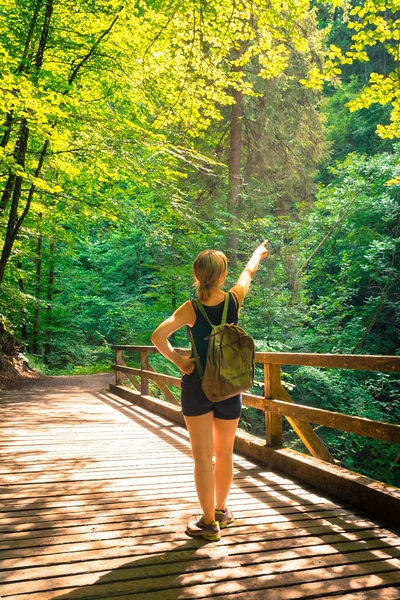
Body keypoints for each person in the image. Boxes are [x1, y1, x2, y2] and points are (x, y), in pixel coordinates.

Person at [151, 241, 268, 542]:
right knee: (224, 453)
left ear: (196, 275)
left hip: (197, 387)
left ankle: (208, 524)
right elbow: (249, 274)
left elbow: (158, 336)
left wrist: (179, 360)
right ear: (223, 274)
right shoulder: (233, 300)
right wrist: (257, 254)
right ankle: (221, 511)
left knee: (202, 458)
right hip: (230, 386)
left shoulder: (191, 308)